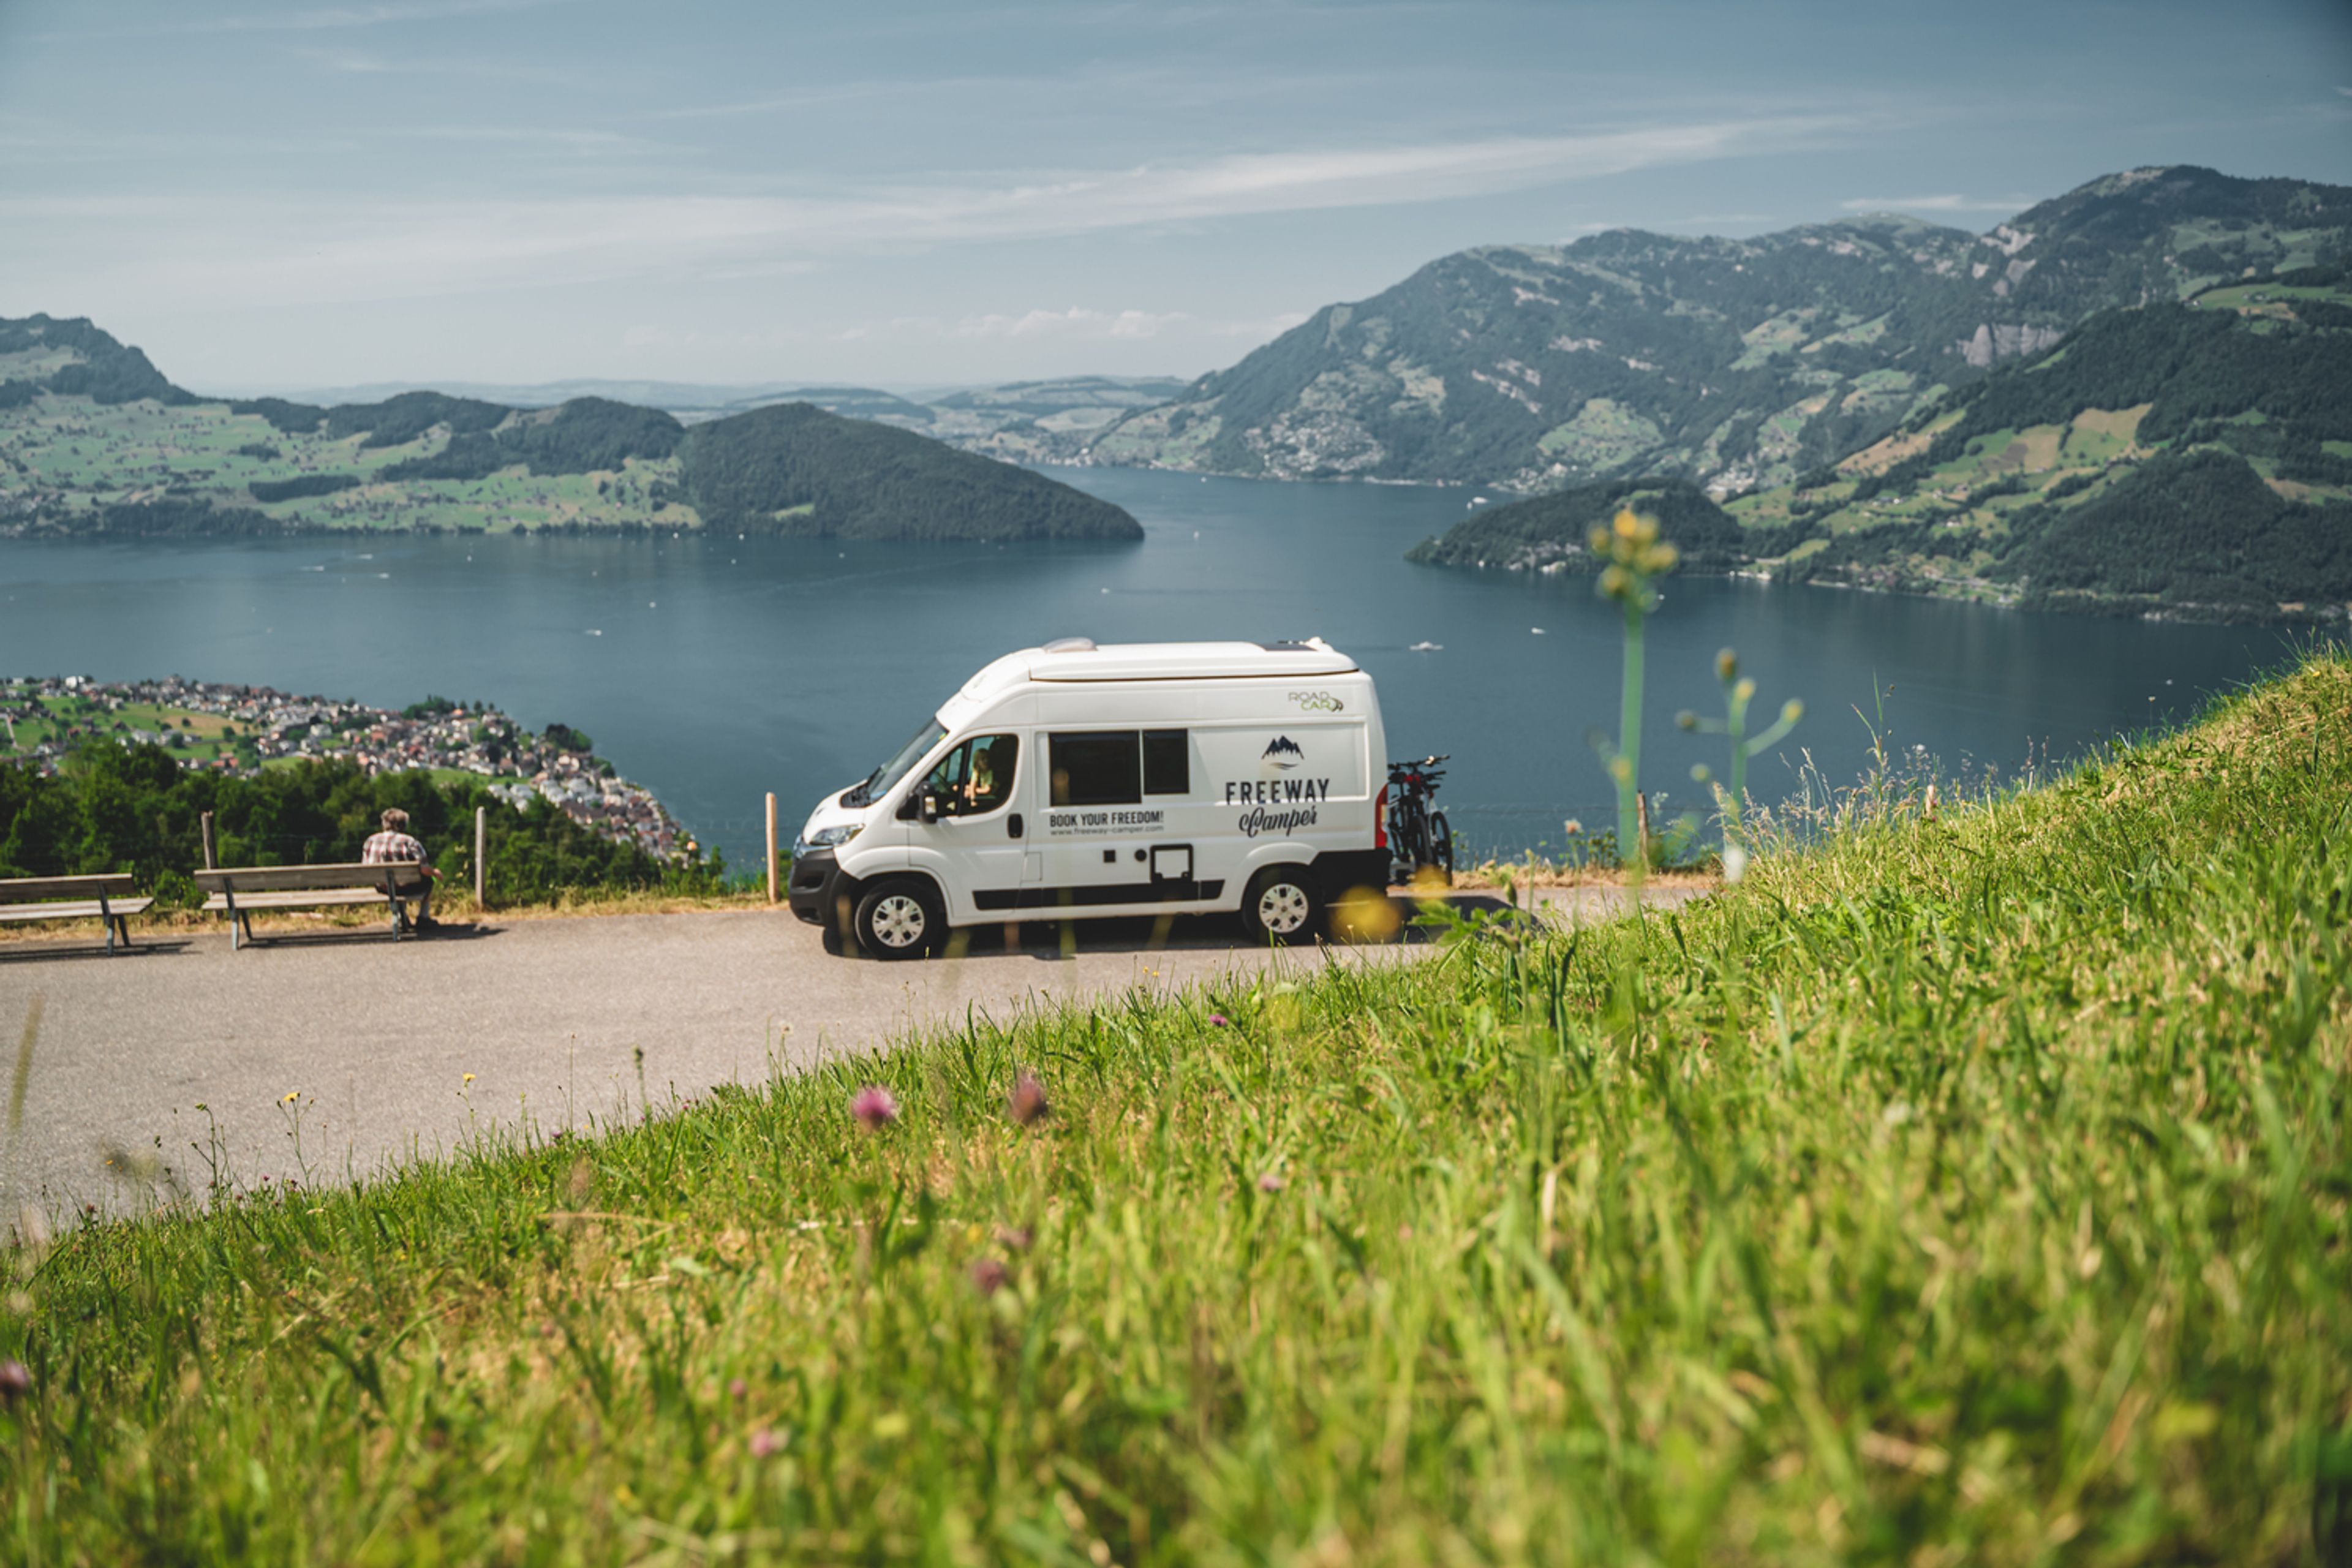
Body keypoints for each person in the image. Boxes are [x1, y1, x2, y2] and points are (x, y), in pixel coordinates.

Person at [361, 807, 440, 930]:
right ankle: (423, 917)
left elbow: (365, 867)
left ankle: (400, 915)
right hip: (407, 887)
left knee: (393, 884)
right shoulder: (410, 841)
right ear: (403, 825)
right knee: (429, 881)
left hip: (383, 887)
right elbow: (424, 868)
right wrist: (435, 873)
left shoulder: (371, 840)